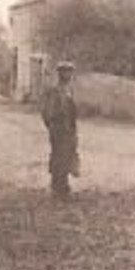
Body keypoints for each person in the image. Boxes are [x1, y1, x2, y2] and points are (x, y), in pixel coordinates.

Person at [40, 60, 79, 198]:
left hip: (69, 129)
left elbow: (73, 111)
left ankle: (63, 186)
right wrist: (52, 126)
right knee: (58, 156)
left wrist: (73, 129)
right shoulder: (54, 91)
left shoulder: (70, 90)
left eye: (69, 72)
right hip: (58, 129)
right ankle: (56, 187)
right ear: (59, 73)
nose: (67, 74)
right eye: (64, 71)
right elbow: (46, 111)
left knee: (67, 156)